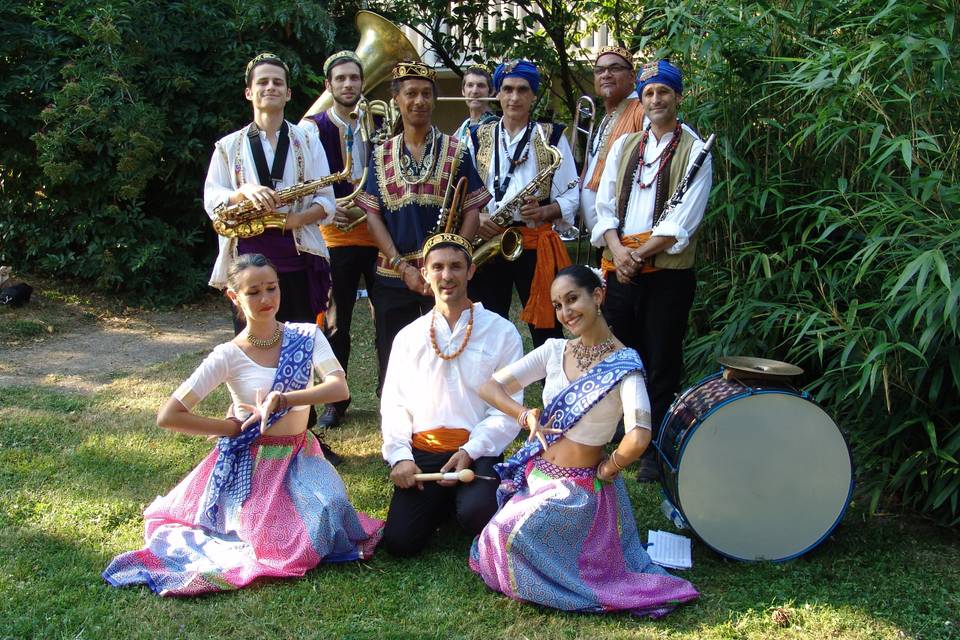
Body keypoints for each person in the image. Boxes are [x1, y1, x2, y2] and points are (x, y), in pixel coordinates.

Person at [103, 254, 383, 596]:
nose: (266, 299)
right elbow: (170, 414)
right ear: (234, 297)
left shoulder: (306, 334)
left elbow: (339, 387)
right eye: (253, 292)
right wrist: (229, 428)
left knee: (331, 510)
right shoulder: (227, 355)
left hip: (300, 456)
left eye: (271, 288)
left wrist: (285, 399)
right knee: (272, 541)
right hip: (250, 465)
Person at [470, 265, 698, 616]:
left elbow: (639, 437)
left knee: (503, 534)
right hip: (537, 477)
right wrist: (524, 414)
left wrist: (610, 467)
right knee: (493, 539)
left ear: (599, 296)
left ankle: (567, 582)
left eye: (572, 299)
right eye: (558, 305)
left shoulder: (625, 366)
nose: (565, 312)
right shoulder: (554, 350)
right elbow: (489, 387)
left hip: (578, 491)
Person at [590, 59, 712, 481]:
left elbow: (683, 224)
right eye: (649, 93)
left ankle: (652, 448)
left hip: (666, 276)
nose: (656, 99)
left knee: (660, 361)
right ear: (640, 101)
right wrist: (617, 252)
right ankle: (617, 435)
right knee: (621, 356)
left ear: (678, 97)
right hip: (621, 265)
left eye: (663, 92)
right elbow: (602, 209)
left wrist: (633, 257)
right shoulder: (625, 146)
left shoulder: (696, 150)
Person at [380, 233, 523, 557]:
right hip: (424, 451)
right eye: (438, 267)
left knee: (478, 515)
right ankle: (443, 501)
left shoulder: (502, 332)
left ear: (471, 271)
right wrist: (401, 457)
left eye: (456, 266)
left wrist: (471, 451)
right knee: (401, 543)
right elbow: (395, 404)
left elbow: (505, 411)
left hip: (476, 450)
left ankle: (464, 499)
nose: (447, 276)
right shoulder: (409, 337)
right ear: (426, 273)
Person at [355, 60, 489, 394]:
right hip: (392, 274)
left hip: (444, 277)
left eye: (427, 94)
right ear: (397, 100)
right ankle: (397, 422)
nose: (419, 101)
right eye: (411, 93)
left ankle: (444, 417)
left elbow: (473, 207)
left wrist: (457, 258)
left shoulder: (457, 150)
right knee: (392, 349)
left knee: (447, 349)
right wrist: (403, 268)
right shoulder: (379, 154)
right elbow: (373, 216)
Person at [205, 52, 335, 332]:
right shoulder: (227, 147)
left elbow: (326, 199)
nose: (270, 87)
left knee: (298, 341)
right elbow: (212, 199)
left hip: (298, 259)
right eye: (262, 82)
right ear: (249, 92)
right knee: (252, 346)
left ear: (288, 93)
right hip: (247, 264)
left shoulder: (309, 141)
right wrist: (243, 192)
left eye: (277, 82)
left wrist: (295, 220)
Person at [466, 59, 579, 348]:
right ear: (498, 94)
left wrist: (545, 211)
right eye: (507, 89)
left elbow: (572, 194)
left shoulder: (551, 136)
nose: (514, 97)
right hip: (488, 241)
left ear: (533, 95)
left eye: (522, 90)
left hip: (532, 242)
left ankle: (551, 389)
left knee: (547, 329)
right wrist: (476, 217)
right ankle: (489, 388)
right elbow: (461, 189)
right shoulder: (477, 136)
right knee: (486, 325)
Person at [300, 51, 380, 429]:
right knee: (336, 323)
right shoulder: (313, 127)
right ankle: (336, 400)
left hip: (378, 232)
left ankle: (391, 396)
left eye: (354, 78)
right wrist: (333, 208)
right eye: (341, 79)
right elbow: (307, 183)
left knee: (388, 318)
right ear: (328, 86)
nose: (349, 85)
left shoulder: (378, 120)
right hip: (336, 234)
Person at [579, 46, 646, 243]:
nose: (606, 74)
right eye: (600, 70)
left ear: (632, 76)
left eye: (614, 69)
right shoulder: (609, 114)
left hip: (627, 235)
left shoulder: (642, 109)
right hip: (606, 237)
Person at [452, 65, 498, 139]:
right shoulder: (462, 129)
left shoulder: (497, 128)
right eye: (470, 85)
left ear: (491, 91)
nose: (474, 91)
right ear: (463, 91)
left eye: (481, 86)